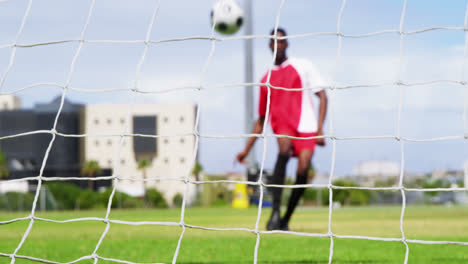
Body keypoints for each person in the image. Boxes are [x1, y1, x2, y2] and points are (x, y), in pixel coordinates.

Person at [235, 27, 328, 231]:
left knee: (303, 168)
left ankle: (286, 218)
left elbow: (322, 96)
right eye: (274, 42)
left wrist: (320, 129)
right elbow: (260, 121)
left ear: (287, 44)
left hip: (306, 125)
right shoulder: (266, 80)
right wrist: (246, 150)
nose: (278, 45)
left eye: (281, 41)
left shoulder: (302, 66)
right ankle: (275, 212)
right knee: (283, 148)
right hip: (283, 125)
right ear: (269, 45)